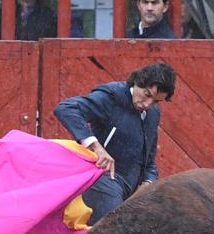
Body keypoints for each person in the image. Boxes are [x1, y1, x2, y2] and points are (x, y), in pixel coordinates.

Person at [53, 62, 176, 224]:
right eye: (146, 94)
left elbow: (149, 159)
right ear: (138, 82)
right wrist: (97, 148)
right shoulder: (112, 97)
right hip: (103, 178)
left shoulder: (152, 113)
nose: (147, 104)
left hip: (134, 189)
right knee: (111, 233)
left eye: (156, 101)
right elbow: (66, 109)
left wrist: (148, 183)